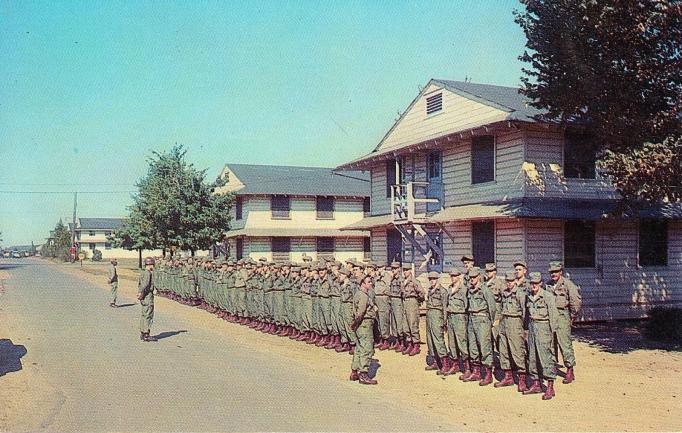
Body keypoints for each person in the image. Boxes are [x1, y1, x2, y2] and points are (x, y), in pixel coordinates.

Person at [525, 272, 560, 400]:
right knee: (532, 356)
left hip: (544, 327)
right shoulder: (528, 296)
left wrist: (551, 332)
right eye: (532, 283)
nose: (534, 285)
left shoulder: (548, 297)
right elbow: (526, 315)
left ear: (541, 283)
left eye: (536, 283)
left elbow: (554, 316)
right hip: (532, 327)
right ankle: (536, 383)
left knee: (545, 356)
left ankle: (550, 386)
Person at [546, 261, 582, 384]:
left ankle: (570, 369)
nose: (553, 274)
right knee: (551, 344)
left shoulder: (567, 284)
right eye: (551, 272)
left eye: (556, 271)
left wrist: (572, 316)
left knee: (564, 344)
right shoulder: (548, 285)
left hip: (562, 316)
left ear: (561, 272)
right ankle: (553, 367)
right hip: (550, 317)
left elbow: (575, 302)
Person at [461, 267, 497, 386]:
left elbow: (492, 307)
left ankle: (488, 373)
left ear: (479, 277)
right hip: (472, 319)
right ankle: (476, 371)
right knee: (472, 346)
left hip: (482, 319)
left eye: (474, 277)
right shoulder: (469, 290)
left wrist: (489, 322)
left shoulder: (485, 290)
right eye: (470, 278)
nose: (472, 280)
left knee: (484, 346)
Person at [495, 271, 528, 391]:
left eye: (511, 281)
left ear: (515, 281)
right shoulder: (504, 293)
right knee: (504, 351)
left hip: (515, 323)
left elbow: (525, 312)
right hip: (504, 322)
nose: (509, 283)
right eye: (507, 281)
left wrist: (524, 328)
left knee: (517, 351)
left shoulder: (520, 294)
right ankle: (508, 376)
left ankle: (522, 379)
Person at [350, 274, 378, 385]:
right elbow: (360, 313)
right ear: (362, 283)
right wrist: (355, 324)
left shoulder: (359, 294)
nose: (371, 283)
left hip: (361, 325)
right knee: (367, 348)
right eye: (368, 282)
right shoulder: (363, 296)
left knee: (359, 348)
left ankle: (354, 371)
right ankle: (363, 374)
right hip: (364, 324)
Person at [424, 271, 450, 375]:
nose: (432, 281)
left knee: (438, 340)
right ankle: (435, 361)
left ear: (437, 279)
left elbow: (444, 307)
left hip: (437, 315)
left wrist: (444, 321)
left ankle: (445, 364)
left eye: (433, 279)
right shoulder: (430, 290)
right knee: (430, 339)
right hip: (429, 314)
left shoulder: (442, 291)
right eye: (430, 279)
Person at [445, 266, 468, 376]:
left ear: (459, 277)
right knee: (452, 343)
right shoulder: (449, 288)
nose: (453, 278)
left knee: (461, 343)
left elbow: (467, 305)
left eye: (455, 276)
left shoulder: (463, 289)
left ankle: (467, 368)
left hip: (460, 317)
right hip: (451, 317)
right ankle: (455, 365)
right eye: (451, 276)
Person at [401, 264, 424, 356]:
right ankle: (410, 344)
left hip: (412, 302)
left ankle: (416, 345)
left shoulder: (414, 281)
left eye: (406, 270)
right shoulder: (404, 281)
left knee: (413, 324)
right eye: (404, 270)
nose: (405, 272)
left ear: (410, 270)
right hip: (405, 302)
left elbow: (421, 293)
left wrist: (417, 301)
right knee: (405, 326)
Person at [137, 257, 156, 342]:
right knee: (148, 314)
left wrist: (140, 293)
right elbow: (145, 284)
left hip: (144, 296)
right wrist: (141, 292)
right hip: (148, 295)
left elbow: (140, 284)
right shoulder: (148, 273)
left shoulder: (143, 272)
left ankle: (142, 332)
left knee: (144, 314)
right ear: (151, 264)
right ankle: (146, 334)